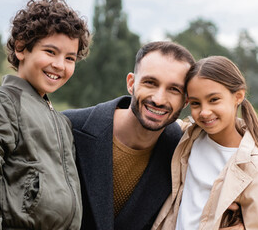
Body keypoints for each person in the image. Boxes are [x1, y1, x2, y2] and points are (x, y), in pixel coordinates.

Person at [0, 0, 91, 230]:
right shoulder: (4, 103)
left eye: (70, 58)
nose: (60, 65)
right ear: (21, 47)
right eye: (50, 52)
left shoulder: (61, 122)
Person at [62, 41, 195, 230]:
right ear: (131, 83)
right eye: (150, 82)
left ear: (186, 100)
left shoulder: (183, 152)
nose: (158, 99)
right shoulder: (67, 128)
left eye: (174, 89)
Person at [152, 56, 258, 230]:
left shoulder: (255, 168)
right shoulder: (187, 138)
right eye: (195, 103)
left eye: (214, 100)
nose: (204, 112)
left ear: (238, 96)